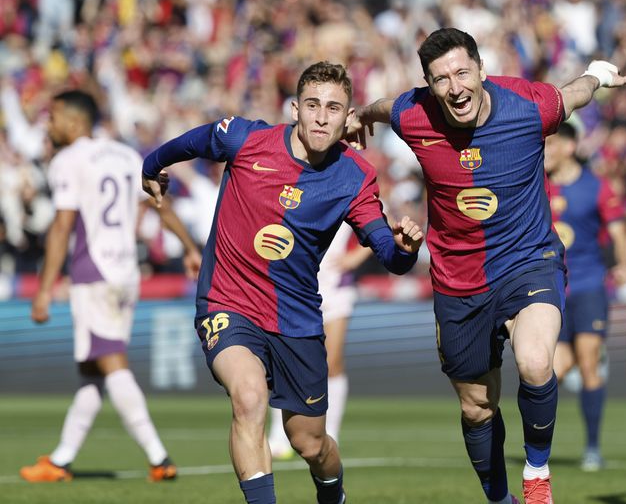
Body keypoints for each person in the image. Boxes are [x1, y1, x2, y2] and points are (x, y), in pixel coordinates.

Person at [347, 27, 626, 503]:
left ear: (481, 69)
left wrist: (597, 75)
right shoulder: (414, 114)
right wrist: (361, 115)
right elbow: (386, 107)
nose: (455, 87)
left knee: (536, 360)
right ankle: (500, 499)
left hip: (528, 260)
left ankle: (537, 472)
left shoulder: (527, 106)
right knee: (477, 407)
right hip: (459, 280)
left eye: (463, 72)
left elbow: (572, 96)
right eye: (441, 79)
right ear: (429, 85)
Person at [141, 61, 424, 504]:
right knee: (249, 398)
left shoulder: (354, 176)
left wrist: (405, 248)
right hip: (227, 302)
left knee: (310, 444)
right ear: (295, 108)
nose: (321, 116)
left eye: (333, 107)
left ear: (348, 115)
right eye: (312, 105)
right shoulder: (247, 139)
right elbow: (196, 139)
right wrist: (152, 165)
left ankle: (334, 493)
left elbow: (388, 253)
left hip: (296, 319)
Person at [20, 90, 202, 483]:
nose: (48, 126)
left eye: (52, 118)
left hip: (94, 272)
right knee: (93, 369)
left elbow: (62, 225)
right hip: (126, 273)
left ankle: (158, 456)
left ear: (73, 121)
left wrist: (43, 289)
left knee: (111, 362)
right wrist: (189, 247)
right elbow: (159, 202)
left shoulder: (69, 160)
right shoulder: (125, 155)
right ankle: (61, 459)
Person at [545, 121, 626, 472]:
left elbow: (619, 230)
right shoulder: (536, 184)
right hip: (551, 288)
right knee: (555, 368)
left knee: (589, 359)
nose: (545, 151)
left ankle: (593, 448)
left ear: (568, 147)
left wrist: (625, 263)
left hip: (589, 284)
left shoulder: (596, 187)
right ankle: (538, 446)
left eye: (550, 145)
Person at [267, 222, 371, 459]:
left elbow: (381, 223)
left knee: (332, 363)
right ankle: (279, 436)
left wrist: (357, 255)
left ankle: (331, 434)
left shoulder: (349, 189)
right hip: (296, 287)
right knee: (283, 361)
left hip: (336, 288)